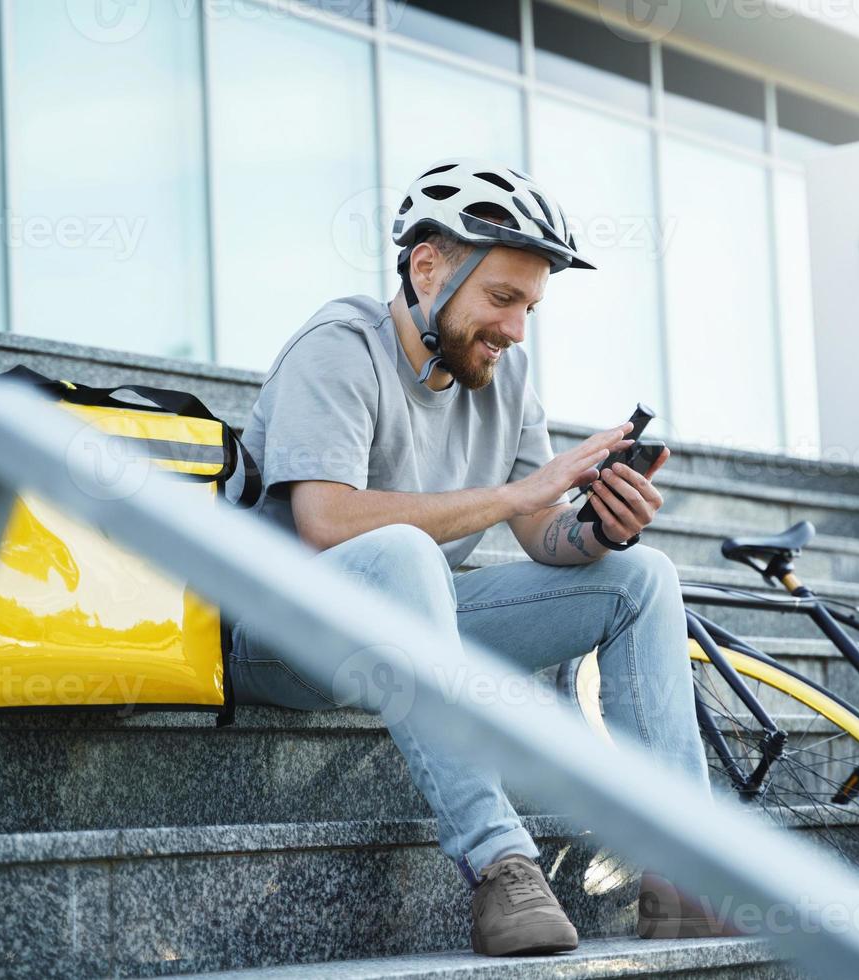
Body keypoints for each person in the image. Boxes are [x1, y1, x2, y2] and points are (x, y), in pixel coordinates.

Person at [226, 157, 714, 956]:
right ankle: (502, 866)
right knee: (406, 554)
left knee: (642, 577)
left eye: (529, 305)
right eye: (501, 299)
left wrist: (600, 528)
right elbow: (325, 520)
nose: (517, 328)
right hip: (286, 639)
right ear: (427, 267)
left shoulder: (505, 373)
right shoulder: (338, 345)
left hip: (419, 630)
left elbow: (541, 533)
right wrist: (520, 496)